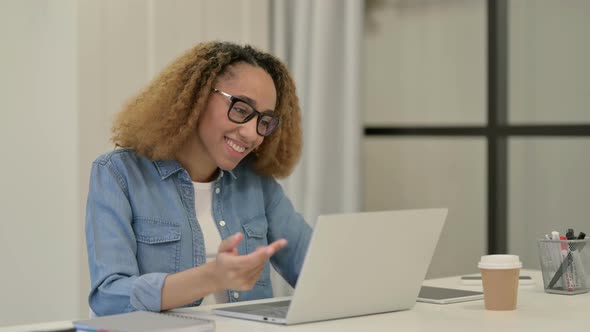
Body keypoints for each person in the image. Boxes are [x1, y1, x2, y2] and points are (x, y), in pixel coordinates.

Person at [85, 41, 312, 316]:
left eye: (264, 121)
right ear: (198, 96)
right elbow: (109, 298)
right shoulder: (119, 174)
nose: (252, 134)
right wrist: (210, 277)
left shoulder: (257, 184)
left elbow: (315, 272)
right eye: (241, 110)